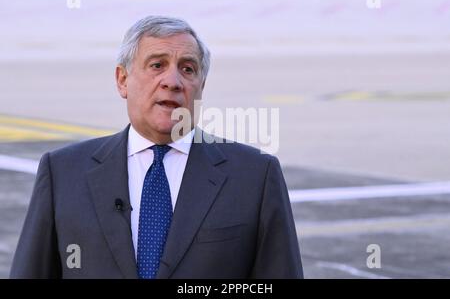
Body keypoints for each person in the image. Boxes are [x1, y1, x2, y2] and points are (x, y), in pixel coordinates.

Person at [10, 16, 303, 279]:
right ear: (122, 80)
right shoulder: (63, 173)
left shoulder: (255, 176)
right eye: (157, 65)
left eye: (188, 69)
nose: (173, 81)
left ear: (202, 86)